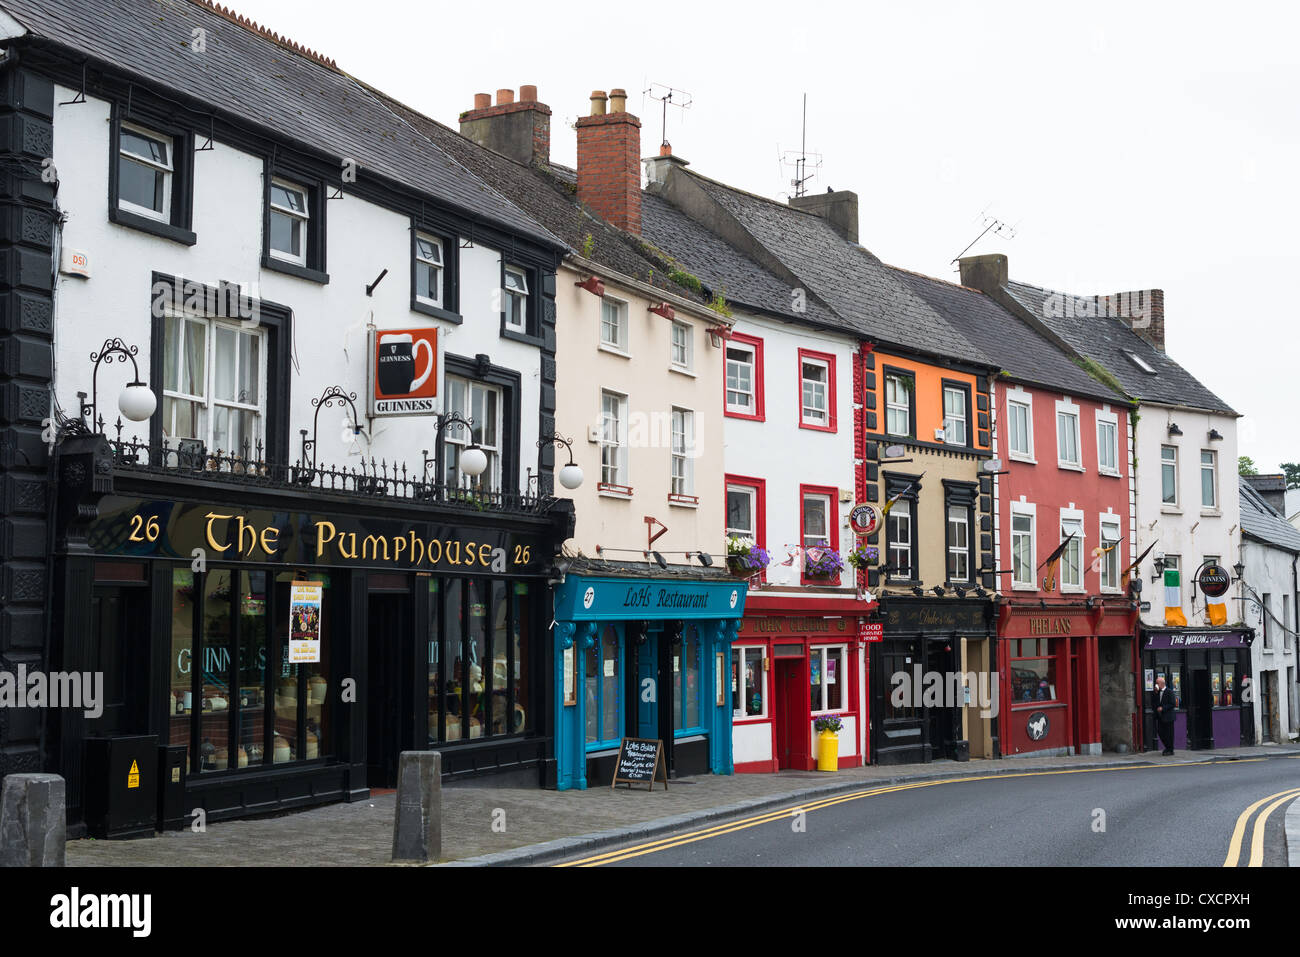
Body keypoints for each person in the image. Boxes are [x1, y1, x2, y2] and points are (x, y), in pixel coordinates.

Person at [1154, 674, 1177, 756]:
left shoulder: (1169, 692)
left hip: (1168, 717)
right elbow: (1156, 702)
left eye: (1157, 683)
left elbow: (1172, 704)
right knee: (1160, 732)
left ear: (1161, 684)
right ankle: (1167, 747)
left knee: (1169, 734)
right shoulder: (1158, 692)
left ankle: (1170, 749)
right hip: (1160, 717)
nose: (1155, 685)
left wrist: (1163, 708)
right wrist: (1156, 693)